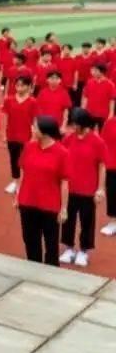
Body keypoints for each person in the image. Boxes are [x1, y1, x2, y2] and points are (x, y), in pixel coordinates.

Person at [15, 116, 69, 266]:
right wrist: (18, 195)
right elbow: (23, 171)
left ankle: (50, 273)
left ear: (45, 132)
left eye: (35, 127)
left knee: (51, 244)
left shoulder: (62, 153)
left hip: (49, 206)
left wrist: (64, 208)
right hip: (27, 202)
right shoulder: (29, 147)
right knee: (30, 240)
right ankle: (33, 268)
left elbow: (64, 182)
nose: (32, 129)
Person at [60, 108, 107, 267]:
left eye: (75, 124)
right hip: (70, 189)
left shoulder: (97, 141)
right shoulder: (68, 139)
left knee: (87, 221)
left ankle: (83, 251)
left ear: (83, 123)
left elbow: (102, 165)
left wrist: (100, 188)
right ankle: (68, 248)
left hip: (88, 190)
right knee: (68, 219)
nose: (72, 127)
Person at [2, 76, 37, 195]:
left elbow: (35, 121)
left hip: (26, 136)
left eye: (22, 85)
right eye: (17, 85)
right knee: (14, 159)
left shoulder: (33, 102)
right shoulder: (9, 100)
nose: (19, 88)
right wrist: (4, 134)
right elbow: (6, 117)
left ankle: (26, 183)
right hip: (12, 135)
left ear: (28, 87)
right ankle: (15, 181)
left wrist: (34, 137)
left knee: (27, 161)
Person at [101, 114, 116, 237]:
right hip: (112, 165)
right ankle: (113, 222)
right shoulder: (110, 123)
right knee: (112, 193)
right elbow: (103, 142)